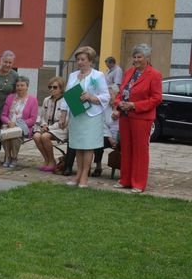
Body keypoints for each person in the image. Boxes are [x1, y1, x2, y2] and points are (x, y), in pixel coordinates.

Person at [111, 43, 163, 193]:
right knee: (126, 149)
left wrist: (135, 105)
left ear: (147, 57)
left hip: (141, 117)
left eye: (139, 56)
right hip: (125, 116)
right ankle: (125, 180)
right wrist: (118, 102)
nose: (136, 59)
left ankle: (138, 183)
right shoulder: (129, 72)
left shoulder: (154, 74)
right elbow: (121, 92)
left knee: (140, 150)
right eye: (134, 56)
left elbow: (156, 98)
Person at [65, 46, 110, 188]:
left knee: (88, 146)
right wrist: (63, 114)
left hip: (91, 116)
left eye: (83, 59)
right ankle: (78, 174)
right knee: (78, 146)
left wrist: (91, 97)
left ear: (90, 61)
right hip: (76, 115)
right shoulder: (73, 76)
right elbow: (67, 96)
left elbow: (106, 96)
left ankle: (85, 175)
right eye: (78, 59)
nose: (80, 62)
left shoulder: (98, 76)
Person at [0, 76, 38, 168]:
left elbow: (32, 119)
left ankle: (14, 157)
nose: (19, 88)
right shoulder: (10, 98)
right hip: (9, 125)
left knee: (14, 136)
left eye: (22, 85)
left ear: (27, 87)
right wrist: (9, 122)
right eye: (18, 86)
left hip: (23, 127)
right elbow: (3, 115)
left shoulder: (33, 100)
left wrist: (16, 124)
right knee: (5, 134)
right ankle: (8, 156)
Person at [33, 76, 68, 172]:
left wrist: (48, 128)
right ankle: (47, 160)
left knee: (44, 137)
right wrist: (44, 125)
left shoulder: (65, 100)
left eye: (55, 87)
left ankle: (52, 161)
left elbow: (64, 121)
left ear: (61, 88)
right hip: (47, 127)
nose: (52, 89)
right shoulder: (46, 100)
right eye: (50, 87)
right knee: (36, 136)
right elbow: (42, 116)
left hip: (60, 128)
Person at [92, 84, 121, 177]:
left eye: (111, 95)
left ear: (117, 95)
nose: (109, 97)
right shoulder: (105, 108)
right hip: (108, 136)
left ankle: (125, 170)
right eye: (107, 95)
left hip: (121, 137)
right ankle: (98, 166)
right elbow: (103, 124)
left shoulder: (122, 107)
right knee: (98, 142)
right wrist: (109, 138)